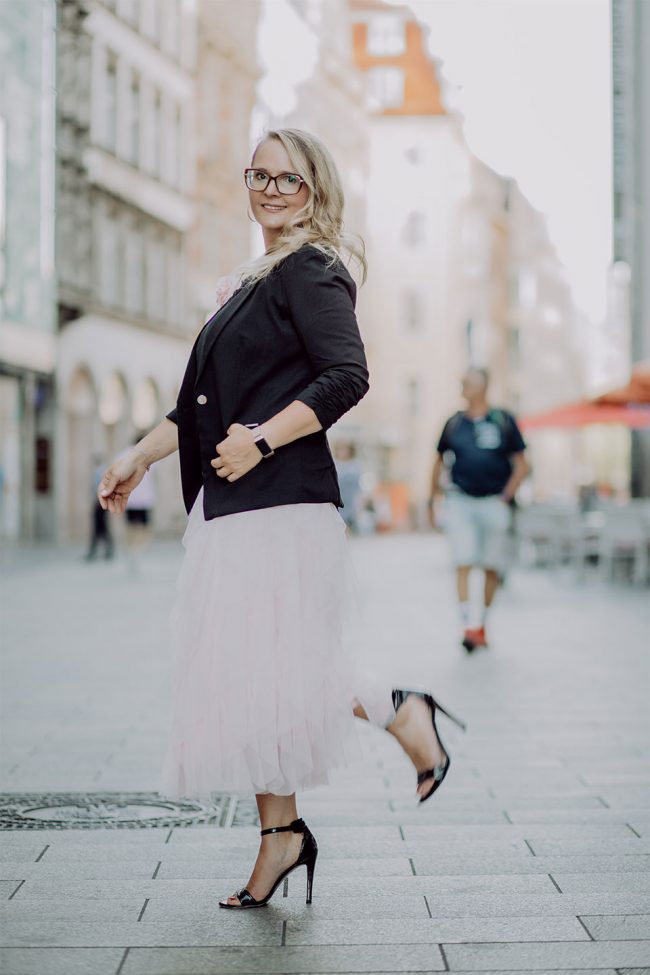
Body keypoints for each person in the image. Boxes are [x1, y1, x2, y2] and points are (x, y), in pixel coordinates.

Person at [98, 128, 464, 911]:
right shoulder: (252, 279)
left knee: (279, 671)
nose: (269, 190)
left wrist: (262, 438)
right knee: (253, 677)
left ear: (316, 191)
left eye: (288, 179)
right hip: (236, 507)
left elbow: (348, 375)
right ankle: (281, 837)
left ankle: (401, 710)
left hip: (282, 506)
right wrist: (137, 455)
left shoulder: (310, 268)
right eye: (258, 175)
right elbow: (197, 411)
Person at [429, 368, 529, 653]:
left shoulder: (503, 420)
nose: (462, 386)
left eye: (468, 382)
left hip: (493, 501)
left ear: (483, 385)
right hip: (460, 501)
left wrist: (506, 496)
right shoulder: (454, 423)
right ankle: (468, 626)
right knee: (462, 561)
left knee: (491, 566)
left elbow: (522, 464)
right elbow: (437, 461)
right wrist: (432, 500)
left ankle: (481, 624)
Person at [124, 437, 156, 575]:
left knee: (131, 527)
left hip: (131, 499)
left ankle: (132, 549)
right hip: (144, 499)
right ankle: (138, 548)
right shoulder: (149, 457)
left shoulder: (124, 455)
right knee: (144, 528)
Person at [85, 455, 114, 560]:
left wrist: (98, 501)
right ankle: (105, 550)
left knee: (100, 528)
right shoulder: (102, 471)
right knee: (101, 528)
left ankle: (98, 551)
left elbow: (100, 489)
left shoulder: (99, 472)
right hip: (101, 503)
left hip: (99, 504)